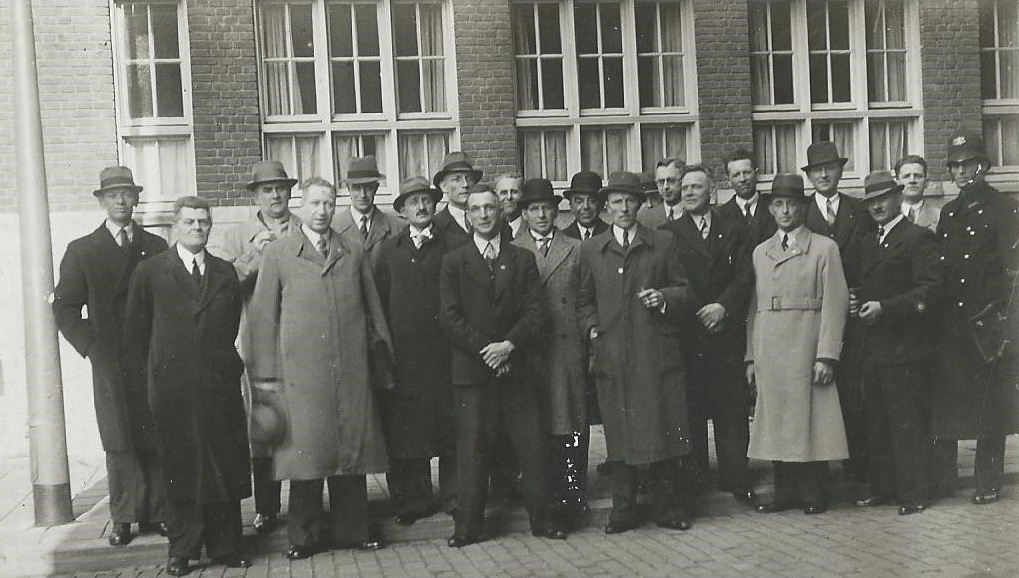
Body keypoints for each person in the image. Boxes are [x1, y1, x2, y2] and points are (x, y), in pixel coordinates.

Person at [247, 178, 393, 559]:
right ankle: (304, 537)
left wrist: (380, 357)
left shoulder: (353, 249)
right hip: (301, 377)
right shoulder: (279, 253)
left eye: (328, 203)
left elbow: (372, 308)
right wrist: (266, 380)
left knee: (351, 452)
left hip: (350, 371)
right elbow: (263, 320)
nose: (322, 210)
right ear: (302, 205)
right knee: (305, 456)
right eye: (314, 203)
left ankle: (354, 530)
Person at [123, 196, 251, 575]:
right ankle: (181, 550)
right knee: (179, 470)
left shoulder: (226, 272)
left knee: (222, 466)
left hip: (217, 387)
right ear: (175, 227)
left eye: (204, 222)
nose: (198, 227)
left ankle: (226, 546)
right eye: (190, 222)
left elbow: (228, 327)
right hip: (173, 391)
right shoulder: (150, 272)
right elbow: (136, 335)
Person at [439, 186, 567, 547]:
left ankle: (543, 520)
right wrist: (487, 349)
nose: (483, 215)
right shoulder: (454, 261)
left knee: (532, 447)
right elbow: (449, 318)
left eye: (490, 208)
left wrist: (508, 346)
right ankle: (468, 527)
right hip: (473, 371)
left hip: (517, 369)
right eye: (476, 209)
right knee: (473, 451)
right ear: (467, 217)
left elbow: (536, 312)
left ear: (501, 212)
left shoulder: (522, 259)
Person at [53, 166, 168, 547]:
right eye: (113, 195)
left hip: (151, 356)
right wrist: (93, 346)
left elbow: (169, 303)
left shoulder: (155, 246)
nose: (121, 201)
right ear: (102, 202)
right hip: (111, 360)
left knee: (155, 432)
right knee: (118, 438)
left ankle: (158, 513)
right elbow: (66, 307)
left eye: (128, 194)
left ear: (136, 198)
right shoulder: (82, 250)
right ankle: (124, 517)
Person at [576, 171, 695, 534]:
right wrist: (592, 328)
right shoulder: (592, 249)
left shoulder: (662, 242)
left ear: (640, 204)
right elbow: (583, 301)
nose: (623, 208)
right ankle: (622, 510)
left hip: (653, 355)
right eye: (616, 201)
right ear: (605, 206)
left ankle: (666, 508)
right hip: (612, 357)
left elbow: (685, 290)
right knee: (619, 436)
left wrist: (664, 298)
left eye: (629, 200)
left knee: (660, 431)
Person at [746, 173, 850, 516]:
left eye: (792, 204)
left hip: (807, 341)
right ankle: (785, 491)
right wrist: (751, 356)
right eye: (779, 204)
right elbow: (753, 307)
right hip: (771, 345)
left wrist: (827, 354)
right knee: (777, 419)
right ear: (771, 209)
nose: (785, 210)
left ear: (803, 208)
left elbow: (836, 304)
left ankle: (814, 491)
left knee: (812, 419)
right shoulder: (761, 252)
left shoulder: (824, 248)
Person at [929, 131, 1019, 505]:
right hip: (953, 323)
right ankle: (944, 479)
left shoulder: (1004, 208)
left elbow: (1013, 273)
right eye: (956, 165)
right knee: (948, 402)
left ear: (983, 166)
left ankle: (987, 481)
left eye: (969, 164)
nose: (962, 172)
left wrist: (1008, 329)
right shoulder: (950, 212)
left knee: (989, 408)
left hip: (987, 322)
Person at [660, 165, 756, 506]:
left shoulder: (735, 229)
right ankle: (695, 482)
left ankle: (736, 478)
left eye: (696, 187)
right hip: (690, 334)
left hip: (726, 332)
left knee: (732, 410)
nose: (688, 193)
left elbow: (746, 276)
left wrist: (722, 307)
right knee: (692, 411)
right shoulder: (667, 233)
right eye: (684, 187)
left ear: (711, 192)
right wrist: (701, 310)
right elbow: (672, 280)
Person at [374, 177, 466, 525]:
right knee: (408, 433)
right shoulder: (390, 250)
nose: (422, 207)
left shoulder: (455, 244)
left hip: (446, 355)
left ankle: (456, 497)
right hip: (406, 359)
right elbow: (380, 303)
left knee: (451, 430)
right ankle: (413, 501)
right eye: (413, 202)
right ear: (402, 210)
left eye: (426, 200)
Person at [215, 160, 300, 535]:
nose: (276, 195)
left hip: (300, 340)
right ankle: (266, 508)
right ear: (256, 196)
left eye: (281, 188)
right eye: (267, 189)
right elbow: (225, 284)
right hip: (260, 343)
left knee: (300, 427)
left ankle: (302, 505)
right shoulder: (237, 235)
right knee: (267, 427)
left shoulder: (303, 226)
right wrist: (256, 255)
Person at [851, 170, 943, 516]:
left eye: (883, 199)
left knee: (908, 422)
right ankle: (884, 488)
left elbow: (931, 290)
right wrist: (857, 301)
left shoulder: (916, 238)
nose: (877, 206)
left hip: (906, 348)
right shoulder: (868, 242)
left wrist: (886, 309)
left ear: (897, 197)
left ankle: (916, 491)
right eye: (871, 201)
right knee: (878, 421)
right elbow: (867, 286)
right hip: (874, 347)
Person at [512, 178, 590, 528]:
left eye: (547, 208)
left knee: (572, 427)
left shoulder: (576, 248)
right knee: (538, 431)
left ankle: (575, 499)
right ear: (524, 214)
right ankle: (544, 503)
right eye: (534, 209)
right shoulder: (512, 249)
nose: (542, 215)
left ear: (557, 211)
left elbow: (587, 298)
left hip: (567, 348)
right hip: (531, 354)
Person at [802, 141, 873, 482]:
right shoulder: (799, 213)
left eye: (830, 168)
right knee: (817, 390)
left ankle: (857, 468)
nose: (824, 174)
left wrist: (862, 294)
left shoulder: (860, 211)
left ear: (841, 171)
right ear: (810, 175)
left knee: (854, 391)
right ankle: (821, 471)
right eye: (818, 169)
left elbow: (874, 261)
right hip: (815, 315)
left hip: (855, 315)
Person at [334, 156, 406, 269]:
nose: (363, 195)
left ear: (376, 188)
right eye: (356, 188)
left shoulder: (398, 227)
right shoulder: (334, 227)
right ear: (348, 188)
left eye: (368, 187)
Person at [717, 148, 776, 248]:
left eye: (746, 172)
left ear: (756, 174)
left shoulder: (774, 208)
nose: (742, 179)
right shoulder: (720, 215)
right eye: (736, 175)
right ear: (728, 181)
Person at [433, 152, 484, 237]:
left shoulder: (488, 217)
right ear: (444, 187)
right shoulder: (436, 225)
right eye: (457, 179)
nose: (465, 184)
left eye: (469, 179)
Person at [894, 154, 940, 232]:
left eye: (918, 176)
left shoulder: (939, 216)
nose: (912, 180)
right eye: (906, 176)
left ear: (926, 182)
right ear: (897, 183)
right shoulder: (890, 216)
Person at [638, 157, 686, 228]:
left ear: (683, 181)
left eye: (671, 181)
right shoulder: (644, 218)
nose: (665, 187)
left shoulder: (695, 213)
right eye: (661, 182)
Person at [561, 171, 609, 241]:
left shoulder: (612, 236)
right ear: (571, 206)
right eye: (579, 201)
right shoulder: (561, 238)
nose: (586, 206)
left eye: (592, 201)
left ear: (602, 205)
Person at [495, 173, 525, 239]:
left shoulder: (531, 228)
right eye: (504, 193)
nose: (509, 197)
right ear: (496, 197)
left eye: (514, 192)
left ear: (522, 196)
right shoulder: (492, 229)